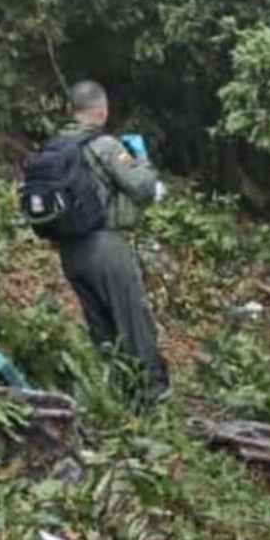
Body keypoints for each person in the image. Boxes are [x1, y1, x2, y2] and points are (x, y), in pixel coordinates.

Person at [54, 80, 170, 404]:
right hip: (104, 245)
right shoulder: (105, 146)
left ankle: (114, 395)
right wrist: (142, 158)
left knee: (99, 325)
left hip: (69, 250)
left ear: (70, 110)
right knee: (131, 318)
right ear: (102, 110)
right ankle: (150, 393)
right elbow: (143, 187)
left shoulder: (56, 146)